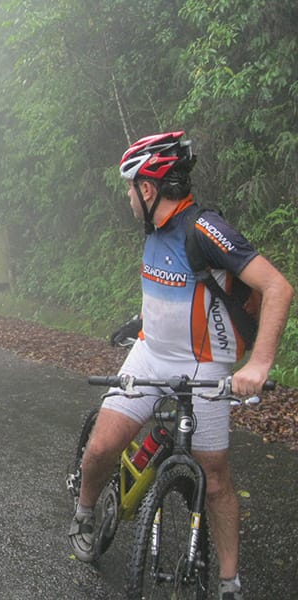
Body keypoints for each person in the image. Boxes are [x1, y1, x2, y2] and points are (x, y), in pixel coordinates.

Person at [69, 131, 294, 600]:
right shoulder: (153, 226)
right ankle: (85, 513)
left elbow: (277, 287)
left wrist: (259, 363)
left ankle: (230, 582)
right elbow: (175, 285)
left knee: (215, 480)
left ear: (147, 189)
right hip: (150, 352)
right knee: (101, 447)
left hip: (204, 365)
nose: (128, 197)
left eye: (130, 188)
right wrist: (144, 320)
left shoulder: (205, 230)